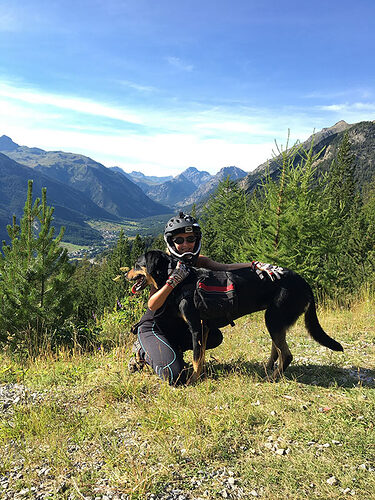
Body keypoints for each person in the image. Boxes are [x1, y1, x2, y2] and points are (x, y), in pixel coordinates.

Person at [128, 212, 279, 385]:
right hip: (154, 326)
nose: (186, 244)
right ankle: (143, 350)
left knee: (213, 336)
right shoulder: (162, 265)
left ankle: (172, 350)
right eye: (179, 240)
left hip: (177, 326)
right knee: (176, 377)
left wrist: (255, 265)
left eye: (190, 239)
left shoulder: (198, 261)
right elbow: (153, 305)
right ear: (171, 242)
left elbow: (227, 268)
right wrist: (172, 281)